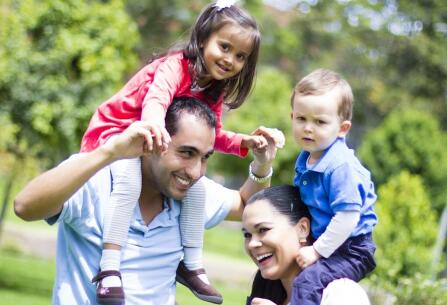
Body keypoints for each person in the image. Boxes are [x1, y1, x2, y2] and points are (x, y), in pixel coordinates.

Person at [78, 0, 276, 303]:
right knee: (130, 179)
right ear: (202, 38)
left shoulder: (212, 88)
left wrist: (242, 143)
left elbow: (213, 134)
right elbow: (156, 102)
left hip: (148, 140)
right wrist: (155, 126)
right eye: (224, 47)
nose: (230, 60)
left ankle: (192, 265)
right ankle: (109, 268)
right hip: (115, 135)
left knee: (195, 184)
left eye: (240, 56)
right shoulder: (175, 66)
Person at [14, 97, 280, 305]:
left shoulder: (192, 196)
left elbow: (248, 206)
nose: (196, 170)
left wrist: (262, 165)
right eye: (186, 153)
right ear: (151, 141)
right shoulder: (98, 180)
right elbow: (25, 206)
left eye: (205, 157)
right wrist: (110, 151)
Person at [290, 68, 378, 305]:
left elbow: (347, 217)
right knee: (281, 263)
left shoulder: (340, 166)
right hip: (327, 240)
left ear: (342, 128)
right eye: (301, 119)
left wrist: (316, 251)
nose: (308, 128)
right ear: (292, 117)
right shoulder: (307, 157)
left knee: (307, 282)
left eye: (319, 121)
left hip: (351, 249)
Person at [242, 185, 372, 305]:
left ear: (302, 229)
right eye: (247, 235)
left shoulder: (342, 293)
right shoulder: (264, 294)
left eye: (263, 230)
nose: (252, 244)